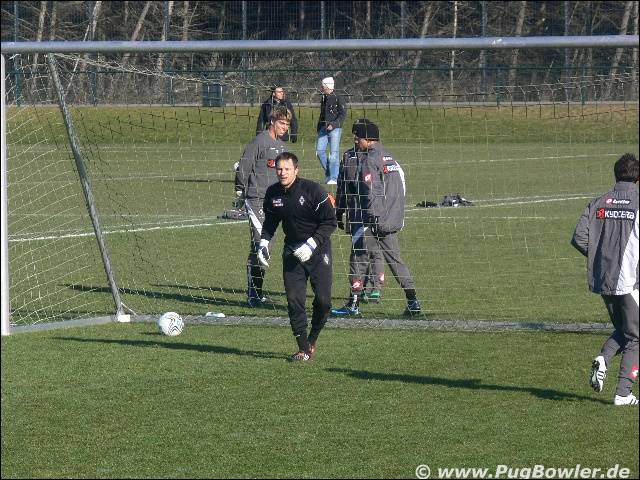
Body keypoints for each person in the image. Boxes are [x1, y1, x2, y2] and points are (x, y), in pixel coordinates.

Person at [331, 119, 422, 317]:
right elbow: (400, 189)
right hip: (389, 220)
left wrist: (372, 218)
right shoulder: (390, 158)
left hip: (371, 220)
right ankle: (413, 301)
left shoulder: (370, 160)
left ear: (367, 138)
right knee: (395, 260)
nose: (355, 140)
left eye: (357, 137)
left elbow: (372, 191)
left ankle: (353, 304)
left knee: (358, 258)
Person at [571, 153, 639, 406]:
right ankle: (623, 393)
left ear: (615, 174)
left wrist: (602, 259)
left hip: (603, 279)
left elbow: (579, 238)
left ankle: (603, 358)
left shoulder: (598, 202)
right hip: (630, 281)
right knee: (636, 337)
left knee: (626, 329)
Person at [257, 152, 337, 361]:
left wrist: (311, 244)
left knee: (323, 301)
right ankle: (303, 349)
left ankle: (313, 338)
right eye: (279, 169)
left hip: (318, 250)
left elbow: (330, 222)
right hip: (292, 251)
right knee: (294, 300)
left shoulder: (313, 191)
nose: (282, 173)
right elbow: (270, 222)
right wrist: (263, 243)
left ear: (296, 170)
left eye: (287, 169)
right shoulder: (273, 193)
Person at [235, 105, 291, 307]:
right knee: (261, 244)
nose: (285, 127)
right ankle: (253, 295)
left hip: (274, 203)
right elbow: (244, 166)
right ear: (272, 121)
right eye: (282, 123)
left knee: (267, 245)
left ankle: (257, 293)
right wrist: (240, 191)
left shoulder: (282, 146)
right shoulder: (259, 141)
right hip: (256, 199)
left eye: (287, 124)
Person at [334, 120, 386, 307]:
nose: (355, 138)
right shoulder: (348, 156)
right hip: (355, 212)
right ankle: (360, 289)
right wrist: (339, 210)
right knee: (359, 250)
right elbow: (342, 185)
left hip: (373, 212)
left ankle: (374, 287)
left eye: (358, 135)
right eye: (354, 135)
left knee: (374, 250)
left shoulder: (376, 156)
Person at [316, 76, 347, 185]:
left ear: (328, 86)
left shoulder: (338, 97)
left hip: (335, 129)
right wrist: (319, 127)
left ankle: (334, 178)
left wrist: (333, 125)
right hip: (323, 129)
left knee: (334, 154)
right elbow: (322, 114)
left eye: (323, 86)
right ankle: (329, 174)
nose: (321, 88)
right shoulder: (323, 98)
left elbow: (343, 114)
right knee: (319, 151)